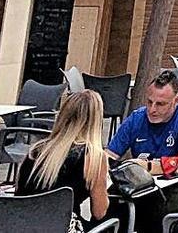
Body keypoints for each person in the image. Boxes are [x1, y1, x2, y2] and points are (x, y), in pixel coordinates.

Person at [106, 70, 178, 233]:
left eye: (160, 104)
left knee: (157, 214)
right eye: (149, 102)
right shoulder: (137, 118)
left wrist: (147, 166)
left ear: (176, 100)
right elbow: (110, 155)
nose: (152, 109)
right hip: (142, 185)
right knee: (109, 205)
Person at [16, 90, 110, 229]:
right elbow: (99, 212)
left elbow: (18, 195)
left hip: (21, 226)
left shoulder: (36, 151)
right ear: (96, 121)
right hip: (61, 227)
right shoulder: (94, 157)